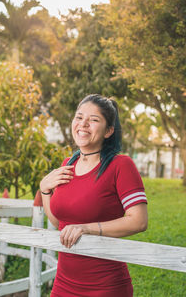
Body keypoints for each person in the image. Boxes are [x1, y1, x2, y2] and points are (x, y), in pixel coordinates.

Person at [40, 94, 148, 297]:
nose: (83, 124)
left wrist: (86, 228)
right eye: (79, 117)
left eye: (94, 120)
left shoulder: (121, 165)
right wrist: (44, 190)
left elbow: (139, 221)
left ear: (109, 131)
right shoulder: (67, 166)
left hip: (105, 286)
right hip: (63, 284)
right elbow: (61, 224)